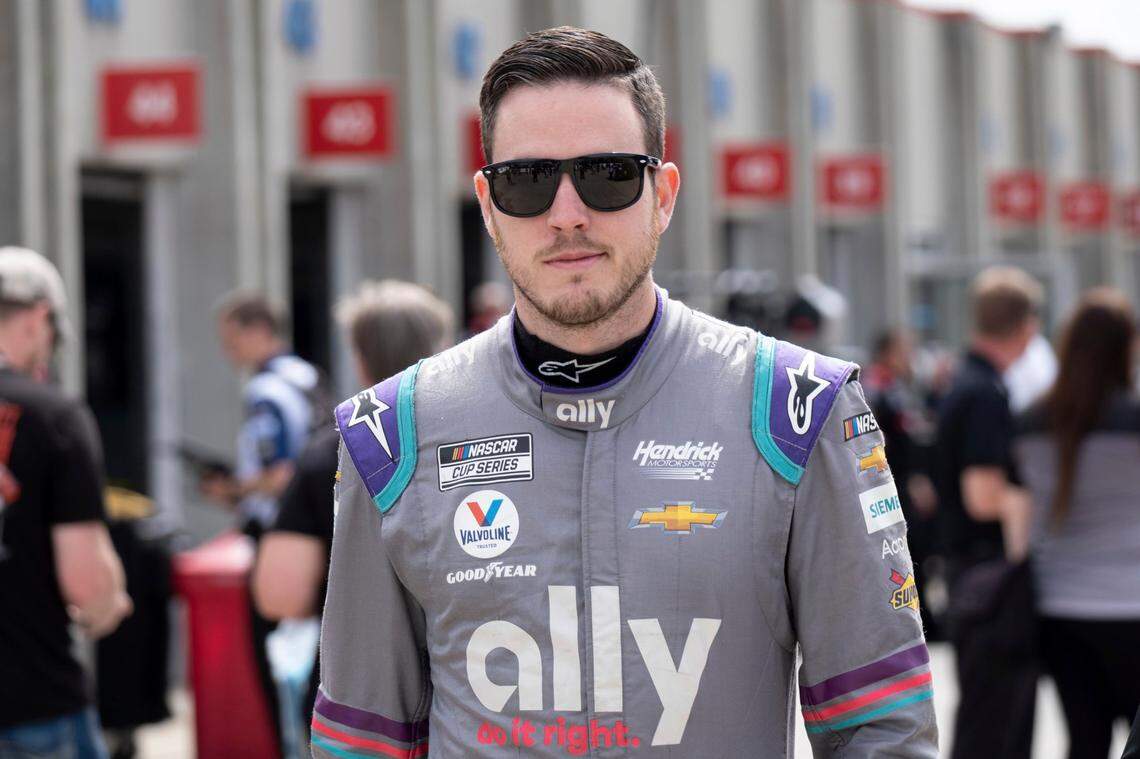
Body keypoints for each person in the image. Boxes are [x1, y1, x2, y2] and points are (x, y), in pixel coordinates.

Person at [313, 27, 937, 758]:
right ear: (487, 204)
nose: (568, 213)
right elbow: (361, 742)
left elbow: (882, 729)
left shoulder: (797, 409)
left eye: (608, 174)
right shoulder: (389, 433)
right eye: (528, 180)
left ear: (663, 193)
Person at [252, 280, 454, 735]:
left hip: (359, 708)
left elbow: (277, 593)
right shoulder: (481, 443)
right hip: (470, 705)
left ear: (360, 357)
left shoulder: (337, 449)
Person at [0, 246, 131, 758]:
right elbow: (87, 583)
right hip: (29, 700)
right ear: (38, 318)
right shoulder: (53, 415)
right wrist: (109, 602)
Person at [1012, 289, 1140, 759]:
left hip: (1060, 606)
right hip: (1132, 603)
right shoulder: (1133, 420)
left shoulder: (1031, 423)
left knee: (1084, 740)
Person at [202, 292, 326, 756]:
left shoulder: (266, 390)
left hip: (280, 539)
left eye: (233, 341)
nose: (228, 353)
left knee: (276, 664)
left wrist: (231, 491)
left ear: (258, 331)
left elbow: (281, 473)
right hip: (325, 533)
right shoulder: (309, 376)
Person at [933, 265, 1042, 759]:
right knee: (995, 722)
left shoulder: (963, 381)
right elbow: (983, 493)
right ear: (1027, 328)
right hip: (988, 577)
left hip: (968, 573)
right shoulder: (985, 393)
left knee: (986, 714)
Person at [864, 328, 940, 635]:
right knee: (904, 548)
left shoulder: (896, 385)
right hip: (891, 484)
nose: (910, 357)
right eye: (903, 349)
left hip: (902, 481)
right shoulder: (878, 386)